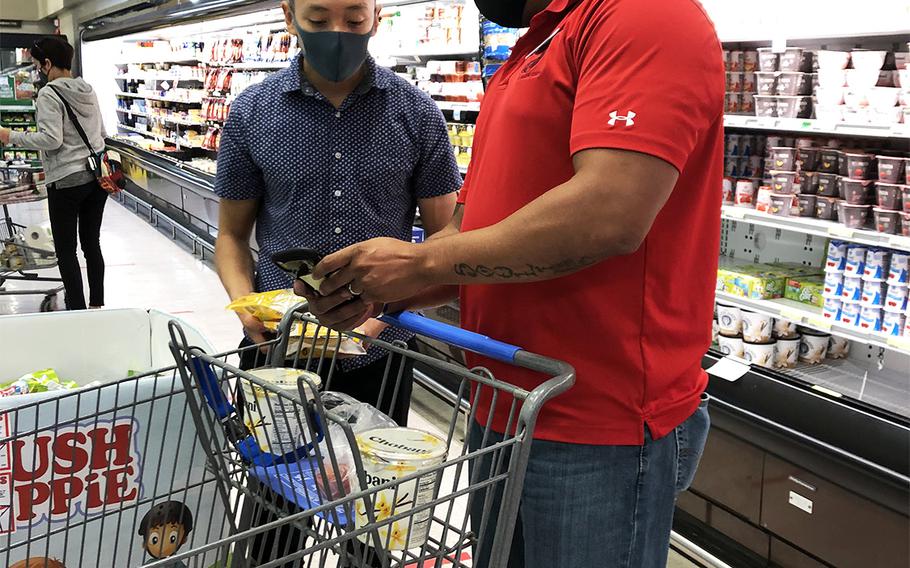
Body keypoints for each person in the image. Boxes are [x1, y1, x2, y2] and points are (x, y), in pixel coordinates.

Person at [301, 0, 724, 566]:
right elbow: (470, 227)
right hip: (502, 401)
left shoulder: (645, 14)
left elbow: (610, 212)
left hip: (597, 418)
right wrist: (381, 288)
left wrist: (421, 265)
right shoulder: (531, 46)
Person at [213, 0, 460, 564]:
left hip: (380, 349)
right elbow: (231, 236)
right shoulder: (252, 113)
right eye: (319, 19)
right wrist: (243, 306)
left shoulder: (417, 114)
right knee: (273, 519)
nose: (338, 34)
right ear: (289, 14)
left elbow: (447, 241)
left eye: (354, 19)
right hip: (278, 347)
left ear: (377, 15)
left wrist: (387, 312)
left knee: (376, 518)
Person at [0, 37, 109, 311]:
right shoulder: (88, 89)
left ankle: (77, 310)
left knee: (66, 250)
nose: (38, 72)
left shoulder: (50, 93)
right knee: (91, 244)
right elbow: (102, 134)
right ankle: (96, 305)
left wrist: (10, 135)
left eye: (38, 66)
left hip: (67, 181)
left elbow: (51, 140)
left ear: (48, 64)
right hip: (96, 178)